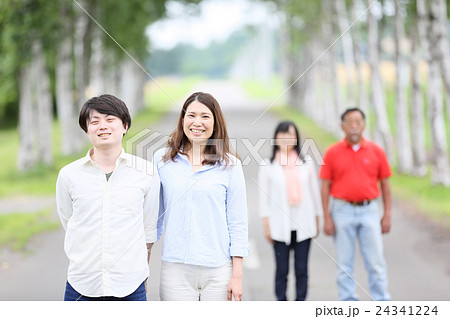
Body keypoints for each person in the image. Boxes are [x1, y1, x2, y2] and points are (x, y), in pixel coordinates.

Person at [56, 94, 160, 301]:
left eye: (110, 119)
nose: (102, 126)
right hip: (82, 283)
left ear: (125, 126)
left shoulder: (146, 172)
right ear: (87, 130)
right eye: (94, 121)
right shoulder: (69, 175)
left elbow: (149, 226)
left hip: (130, 284)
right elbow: (68, 221)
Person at [153, 92, 249, 301]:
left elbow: (238, 222)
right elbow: (152, 217)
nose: (197, 122)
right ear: (182, 120)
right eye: (191, 115)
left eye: (205, 116)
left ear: (215, 124)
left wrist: (237, 276)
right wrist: (142, 260)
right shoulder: (161, 161)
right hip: (175, 269)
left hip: (218, 270)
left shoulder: (231, 166)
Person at [319, 107, 392, 301]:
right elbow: (325, 187)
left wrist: (387, 214)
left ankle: (382, 301)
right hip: (342, 211)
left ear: (364, 125)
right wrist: (327, 217)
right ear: (342, 126)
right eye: (349, 122)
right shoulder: (332, 152)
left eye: (358, 122)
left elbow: (385, 184)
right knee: (344, 263)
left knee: (375, 262)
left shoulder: (376, 151)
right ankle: (348, 303)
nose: (354, 126)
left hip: (369, 210)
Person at [258, 121, 322, 301]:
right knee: (282, 270)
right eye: (282, 134)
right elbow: (264, 200)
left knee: (302, 270)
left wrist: (317, 219)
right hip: (279, 227)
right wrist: (267, 226)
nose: (286, 138)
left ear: (296, 138)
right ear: (276, 138)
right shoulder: (267, 166)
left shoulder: (306, 163)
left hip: (304, 225)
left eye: (290, 134)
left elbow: (314, 192)